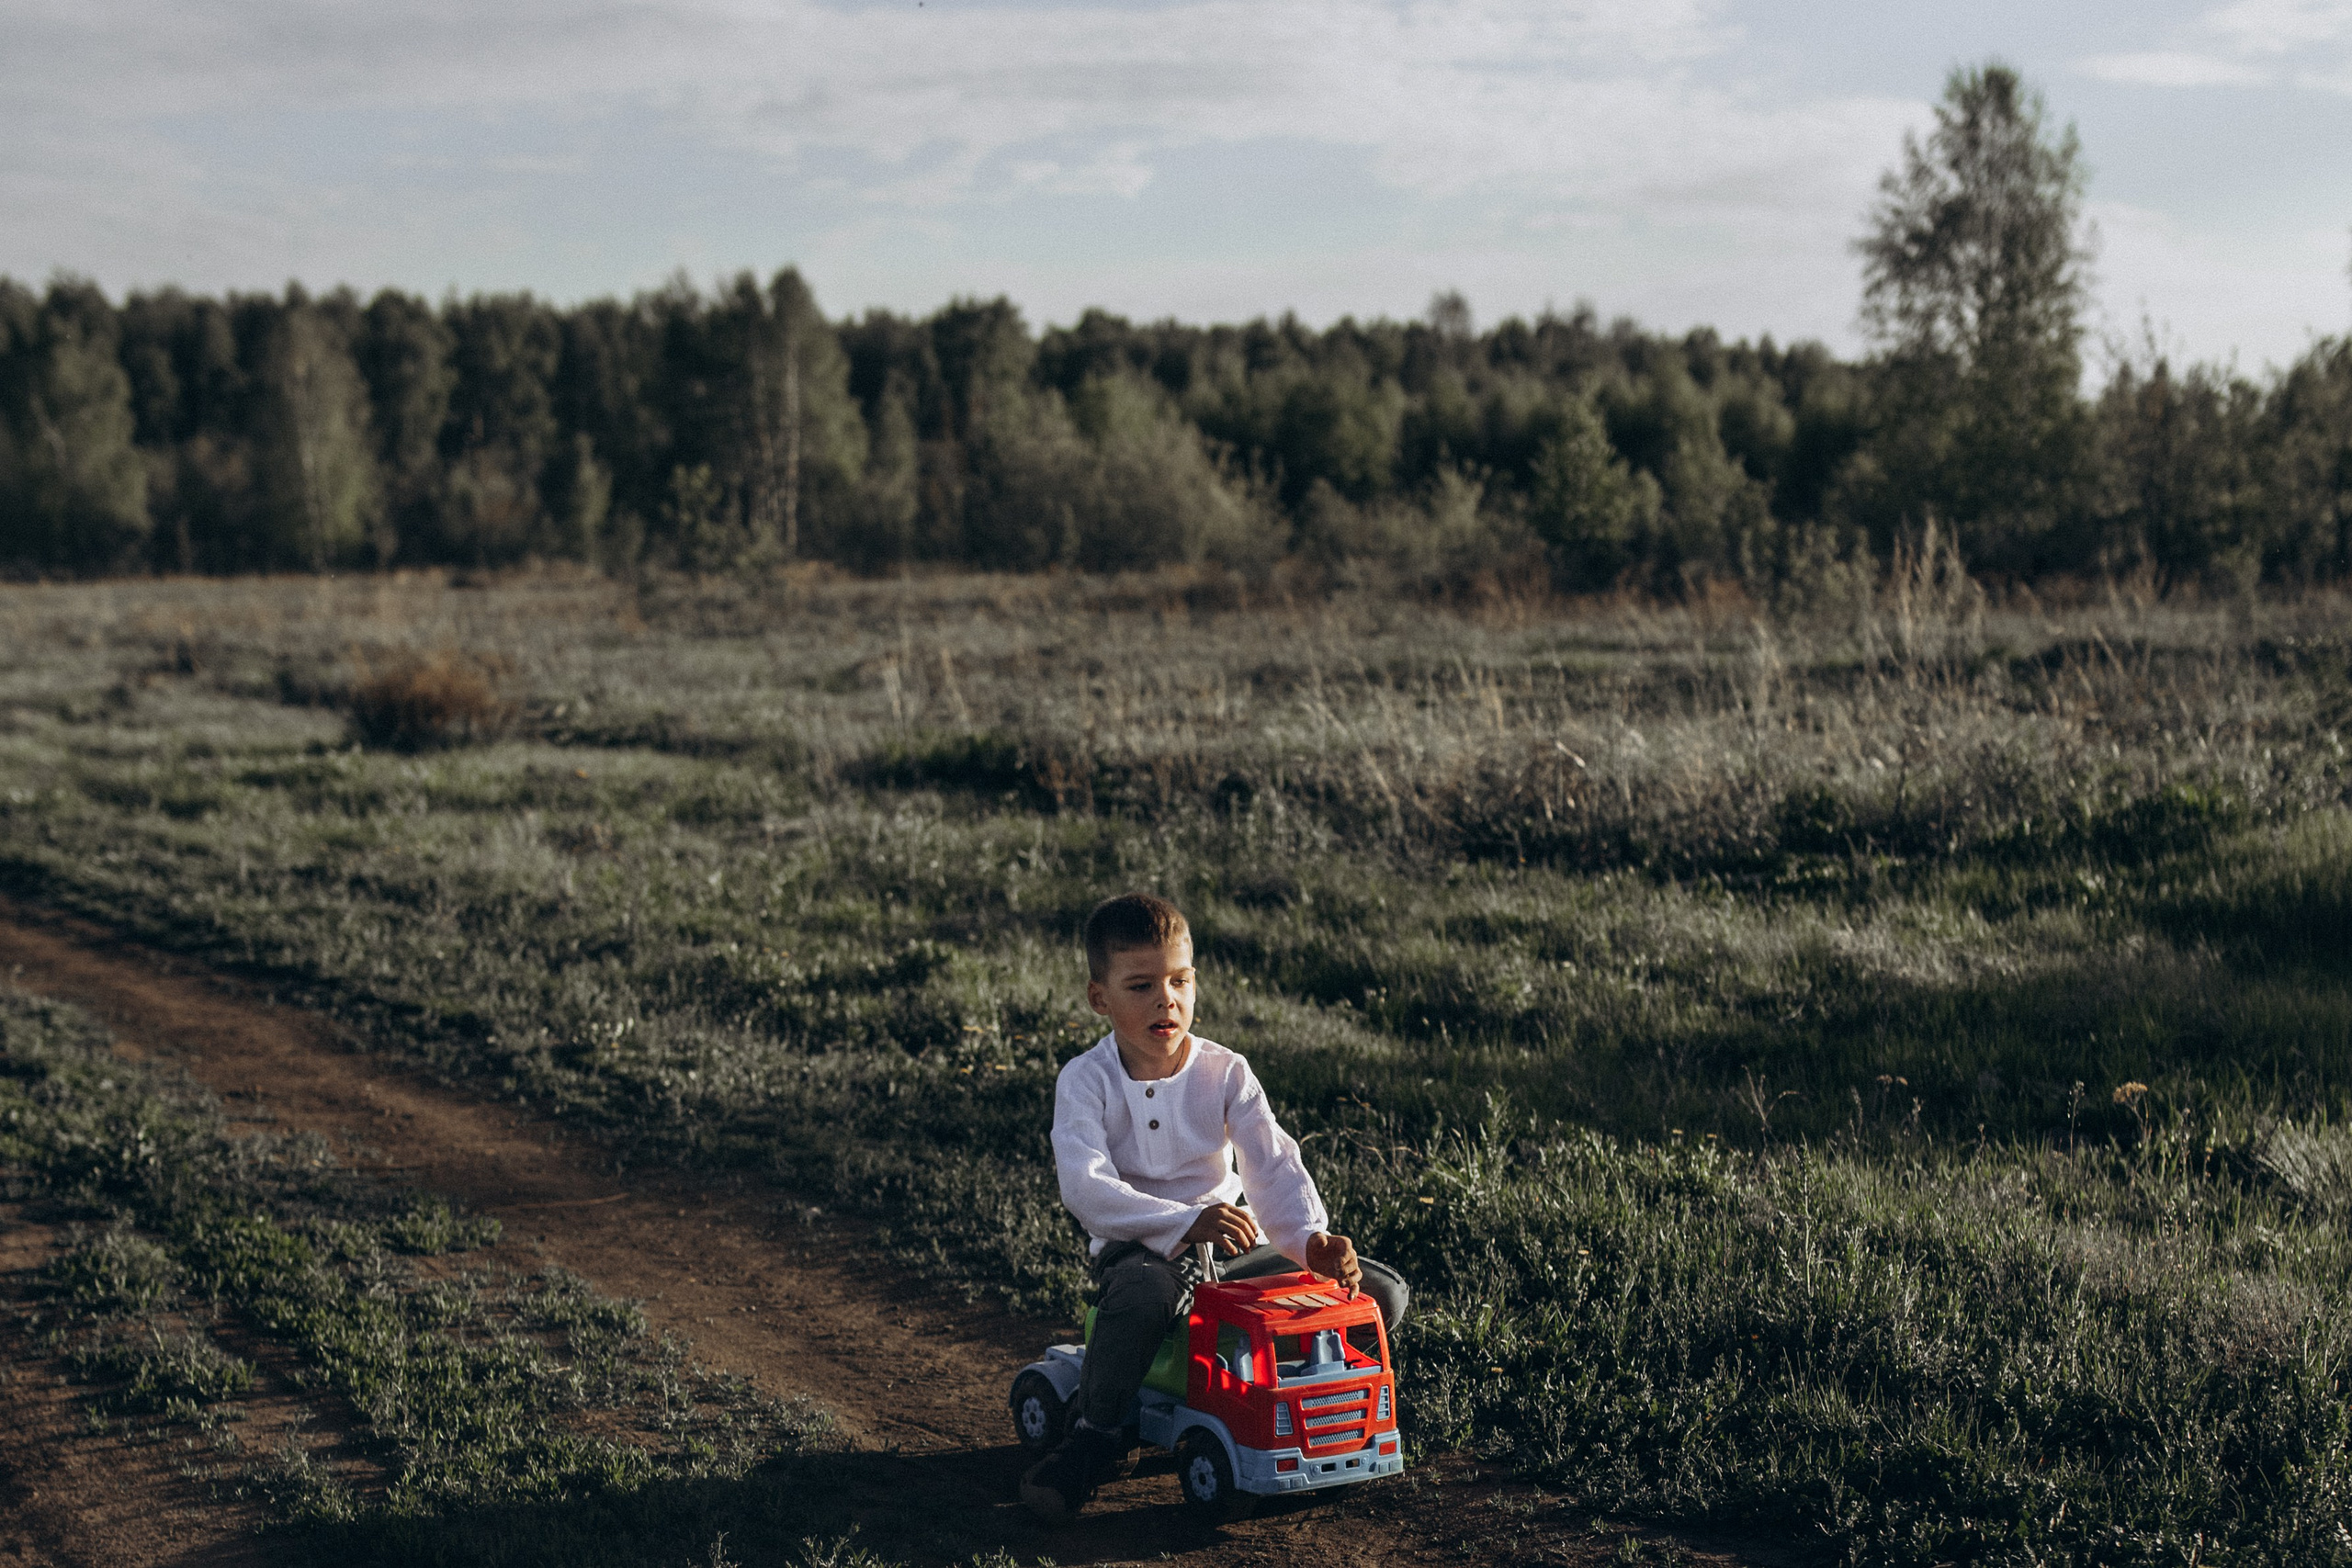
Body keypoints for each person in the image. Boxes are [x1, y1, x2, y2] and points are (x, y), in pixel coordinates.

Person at [1018, 891, 1410, 1523]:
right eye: (1141, 985)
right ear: (1101, 998)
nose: (1165, 999)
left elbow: (1273, 1163)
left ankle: (1320, 1413)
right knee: (1144, 1295)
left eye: (1179, 980)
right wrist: (1181, 1221)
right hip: (1143, 1248)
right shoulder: (1086, 1079)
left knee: (1377, 1295)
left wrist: (1312, 1238)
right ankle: (1096, 1435)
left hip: (1233, 1249)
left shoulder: (1225, 1071)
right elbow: (1085, 1186)